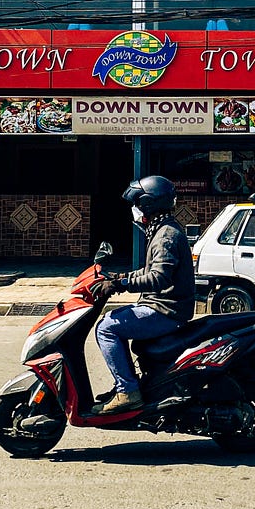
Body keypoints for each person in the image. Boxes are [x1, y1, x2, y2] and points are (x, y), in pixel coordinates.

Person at [91, 175, 196, 415]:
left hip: (166, 310)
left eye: (136, 204)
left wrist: (123, 284)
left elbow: (159, 277)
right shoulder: (162, 230)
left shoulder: (165, 236)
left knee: (106, 328)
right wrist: (119, 277)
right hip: (163, 306)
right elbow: (150, 270)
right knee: (114, 322)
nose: (134, 210)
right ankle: (128, 386)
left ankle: (127, 391)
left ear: (148, 204)